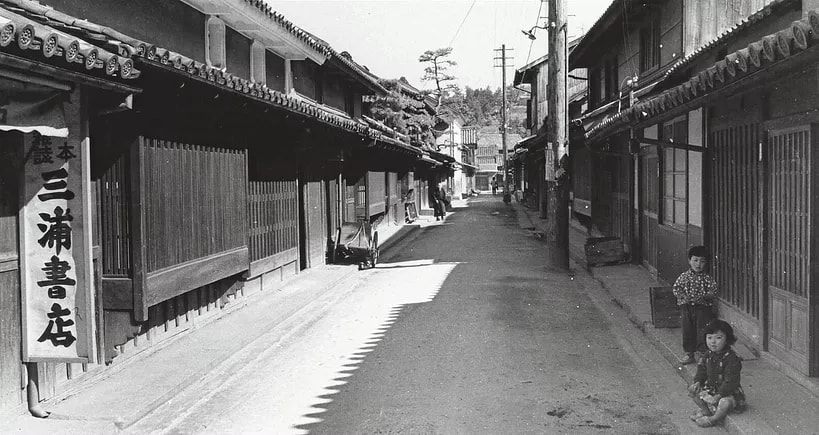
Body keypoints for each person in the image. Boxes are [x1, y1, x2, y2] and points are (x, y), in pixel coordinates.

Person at [687, 319, 746, 427]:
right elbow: (701, 370)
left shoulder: (732, 358)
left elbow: (730, 382)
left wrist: (718, 396)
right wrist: (697, 382)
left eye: (718, 338)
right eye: (709, 338)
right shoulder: (707, 355)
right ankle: (706, 411)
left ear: (727, 339)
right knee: (693, 390)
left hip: (728, 393)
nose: (713, 342)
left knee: (724, 402)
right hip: (712, 389)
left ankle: (714, 419)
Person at [673, 245, 718, 365]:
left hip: (702, 308)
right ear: (689, 261)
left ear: (706, 263)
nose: (698, 264)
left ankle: (704, 355)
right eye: (695, 260)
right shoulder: (684, 277)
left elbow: (713, 291)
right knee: (687, 330)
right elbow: (676, 288)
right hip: (686, 308)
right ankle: (689, 354)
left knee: (702, 330)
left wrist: (705, 296)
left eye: (702, 261)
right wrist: (683, 296)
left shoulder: (707, 279)